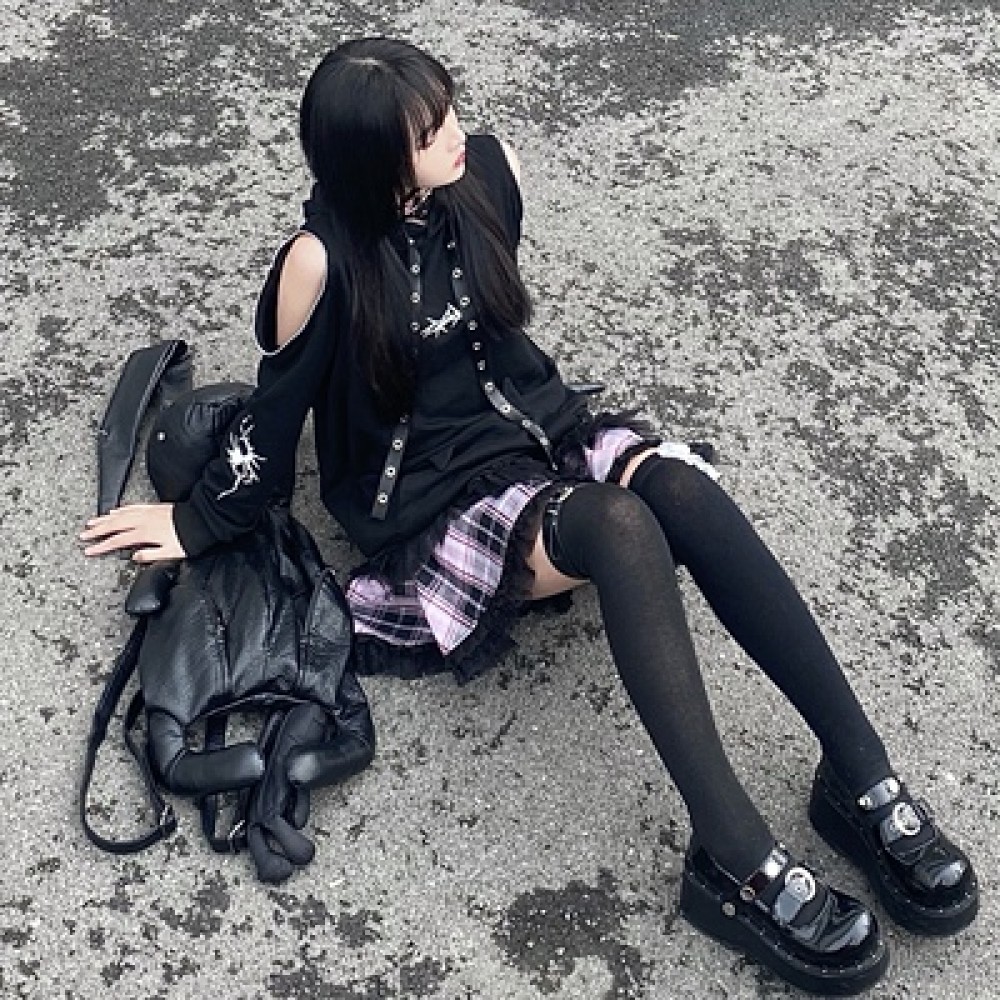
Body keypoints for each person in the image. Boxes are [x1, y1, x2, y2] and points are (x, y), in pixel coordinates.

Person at [80, 37, 978, 995]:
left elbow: (496, 330)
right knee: (621, 530)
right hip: (429, 497)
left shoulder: (490, 174)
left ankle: (859, 777)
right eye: (431, 132)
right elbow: (275, 414)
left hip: (543, 433)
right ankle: (733, 859)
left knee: (681, 491)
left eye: (450, 111)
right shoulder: (319, 262)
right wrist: (197, 523)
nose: (458, 136)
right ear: (374, 162)